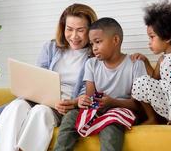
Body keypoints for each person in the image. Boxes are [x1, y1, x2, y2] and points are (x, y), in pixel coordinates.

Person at [0, 3, 98, 151]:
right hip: (41, 98)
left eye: (80, 30)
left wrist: (73, 103)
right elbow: (39, 76)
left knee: (40, 112)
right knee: (15, 107)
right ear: (63, 28)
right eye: (69, 29)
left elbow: (89, 91)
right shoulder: (50, 47)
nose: (74, 36)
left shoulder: (95, 56)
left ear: (91, 30)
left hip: (63, 105)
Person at [54, 17, 147, 151]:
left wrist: (113, 102)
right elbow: (90, 98)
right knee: (70, 118)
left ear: (115, 40)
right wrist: (82, 101)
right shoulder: (91, 64)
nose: (94, 48)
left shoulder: (135, 64)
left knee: (110, 126)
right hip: (98, 108)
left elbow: (138, 104)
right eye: (92, 44)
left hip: (123, 111)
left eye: (98, 42)